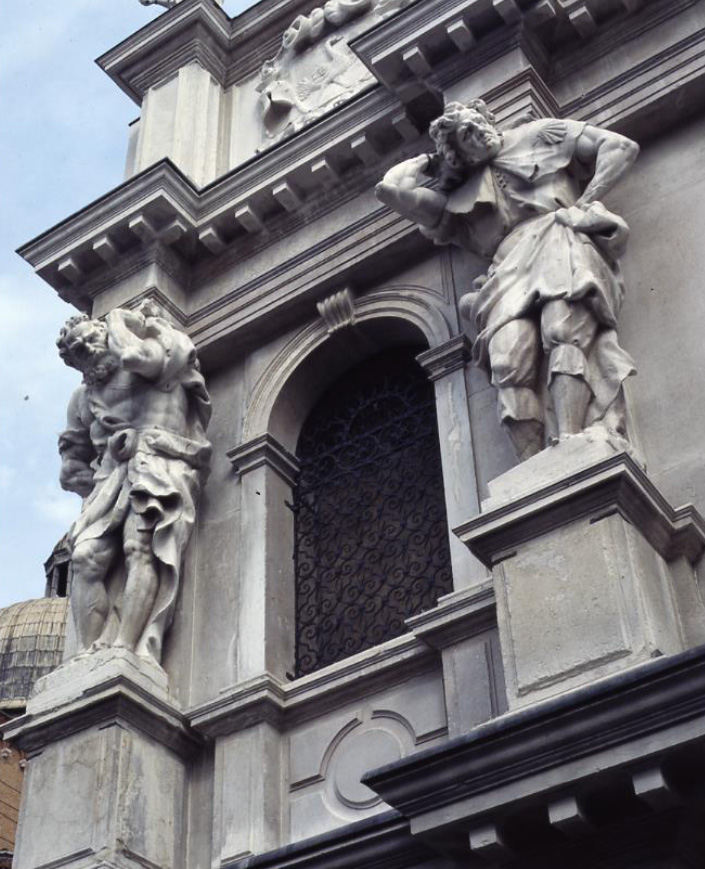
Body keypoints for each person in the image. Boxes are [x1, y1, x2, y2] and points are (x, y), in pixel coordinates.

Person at [376, 100, 640, 460]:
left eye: (478, 122)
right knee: (508, 364)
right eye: (467, 134)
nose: (478, 132)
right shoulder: (458, 201)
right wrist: (430, 160)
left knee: (563, 332)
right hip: (505, 271)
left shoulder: (539, 134)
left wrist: (584, 204)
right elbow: (390, 190)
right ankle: (536, 466)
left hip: (557, 237)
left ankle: (572, 440)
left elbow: (620, 147)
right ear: (458, 154)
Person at [56, 301, 211, 664]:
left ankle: (126, 648)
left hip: (160, 463)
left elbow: (132, 357)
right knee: (84, 557)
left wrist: (118, 318)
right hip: (111, 480)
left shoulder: (156, 348)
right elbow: (71, 464)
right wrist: (90, 476)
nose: (87, 350)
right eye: (77, 352)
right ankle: (86, 656)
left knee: (139, 548)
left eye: (90, 339)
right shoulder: (83, 398)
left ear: (105, 331)